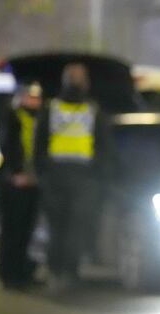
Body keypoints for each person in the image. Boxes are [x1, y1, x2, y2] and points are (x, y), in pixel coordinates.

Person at [34, 63, 111, 293]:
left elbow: (39, 145)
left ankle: (57, 272)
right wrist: (100, 177)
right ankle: (67, 273)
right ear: (85, 83)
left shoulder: (52, 108)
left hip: (56, 178)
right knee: (73, 229)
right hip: (82, 179)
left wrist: (43, 173)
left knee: (58, 229)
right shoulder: (93, 110)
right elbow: (105, 147)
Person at [0, 82, 43, 290]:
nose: (35, 101)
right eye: (30, 97)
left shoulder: (39, 119)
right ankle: (8, 274)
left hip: (33, 182)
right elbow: (6, 145)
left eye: (37, 98)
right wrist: (15, 174)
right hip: (14, 183)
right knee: (12, 231)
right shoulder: (11, 116)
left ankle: (22, 272)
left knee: (26, 232)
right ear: (21, 97)